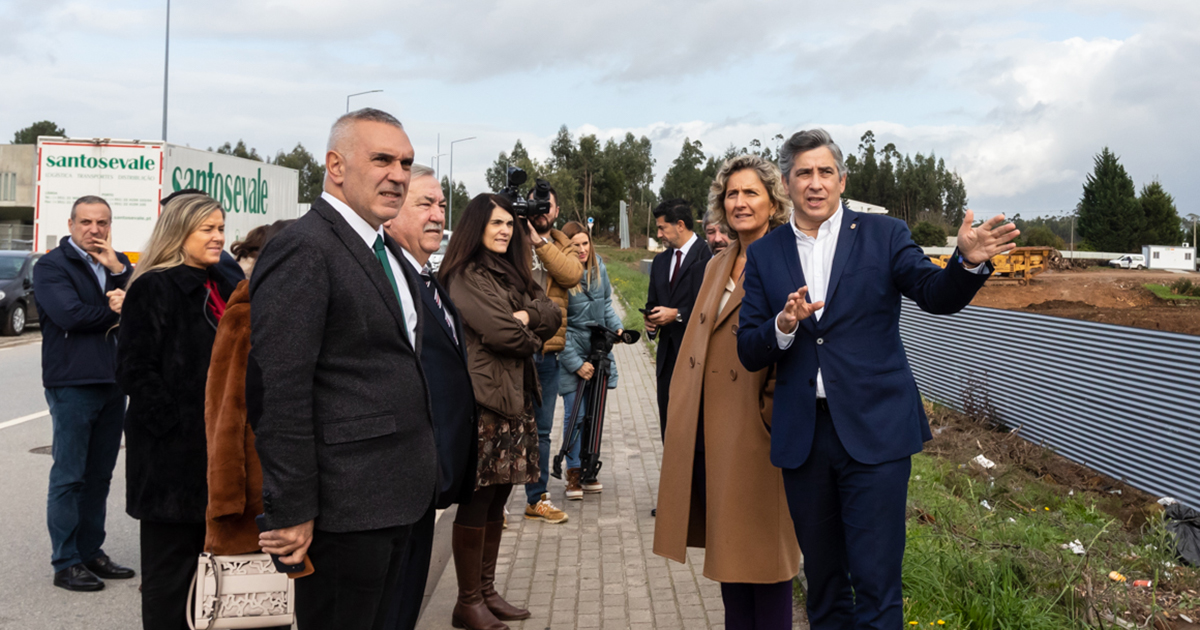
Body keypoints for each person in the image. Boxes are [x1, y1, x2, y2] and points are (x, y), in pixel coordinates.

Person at [736, 129, 1018, 630]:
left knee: (877, 584)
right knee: (823, 586)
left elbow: (935, 294)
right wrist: (783, 325)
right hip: (805, 438)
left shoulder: (884, 235)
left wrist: (967, 263)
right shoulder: (766, 253)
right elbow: (749, 348)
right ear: (786, 183)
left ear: (842, 180)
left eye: (826, 172)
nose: (816, 183)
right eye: (804, 173)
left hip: (877, 434)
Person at [249, 108, 437, 630]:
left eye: (405, 162)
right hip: (344, 510)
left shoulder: (385, 250)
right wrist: (290, 510)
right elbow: (278, 390)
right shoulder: (305, 248)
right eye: (382, 159)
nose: (398, 174)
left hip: (399, 498)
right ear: (335, 165)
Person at [654, 156, 801, 630]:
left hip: (757, 436)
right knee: (730, 564)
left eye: (751, 192)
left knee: (766, 563)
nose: (739, 202)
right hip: (713, 431)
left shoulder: (788, 258)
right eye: (732, 194)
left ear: (773, 199)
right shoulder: (719, 263)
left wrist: (768, 417)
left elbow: (800, 344)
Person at [440, 193, 559, 630]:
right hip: (485, 400)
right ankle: (466, 601)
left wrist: (525, 317)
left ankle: (486, 592)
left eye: (510, 223)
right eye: (496, 223)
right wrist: (529, 327)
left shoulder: (511, 271)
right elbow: (503, 333)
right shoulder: (465, 275)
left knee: (500, 496)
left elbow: (552, 312)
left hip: (515, 396)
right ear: (477, 226)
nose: (505, 230)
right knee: (478, 499)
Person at [117, 192, 236, 629]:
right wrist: (176, 429)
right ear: (178, 231)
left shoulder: (224, 280)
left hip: (222, 454)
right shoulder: (154, 286)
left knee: (220, 580)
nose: (218, 237)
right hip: (173, 462)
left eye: (221, 228)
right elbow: (134, 370)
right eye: (207, 229)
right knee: (171, 580)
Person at [380, 165, 478, 630]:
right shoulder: (386, 277)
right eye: (425, 204)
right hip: (393, 482)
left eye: (441, 205)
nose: (438, 215)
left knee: (405, 602)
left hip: (422, 480)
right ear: (391, 209)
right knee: (388, 605)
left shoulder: (423, 276)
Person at [34, 195, 135, 592]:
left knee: (100, 476)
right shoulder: (52, 266)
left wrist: (120, 270)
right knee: (70, 477)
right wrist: (116, 311)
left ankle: (92, 552)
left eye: (103, 223)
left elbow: (147, 299)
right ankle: (66, 562)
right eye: (87, 222)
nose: (95, 230)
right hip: (73, 382)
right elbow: (70, 315)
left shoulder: (113, 264)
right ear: (71, 224)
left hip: (113, 381)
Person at [523, 183, 581, 521]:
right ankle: (495, 503)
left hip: (547, 353)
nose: (542, 209)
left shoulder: (563, 245)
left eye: (548, 205)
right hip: (511, 350)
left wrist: (539, 243)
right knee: (504, 428)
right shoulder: (509, 238)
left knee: (541, 432)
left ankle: (537, 498)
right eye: (535, 204)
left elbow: (571, 275)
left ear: (557, 212)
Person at [555, 221, 622, 500]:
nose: (582, 249)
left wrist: (616, 327)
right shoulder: (559, 275)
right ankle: (572, 473)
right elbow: (557, 324)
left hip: (597, 350)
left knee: (594, 415)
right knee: (576, 415)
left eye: (585, 243)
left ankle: (589, 469)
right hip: (571, 351)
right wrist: (574, 362)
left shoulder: (599, 268)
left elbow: (606, 303)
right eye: (575, 245)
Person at [645, 198, 712, 438]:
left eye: (662, 228)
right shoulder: (660, 261)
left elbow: (712, 307)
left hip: (698, 357)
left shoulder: (709, 255)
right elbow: (652, 303)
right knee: (669, 428)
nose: (659, 234)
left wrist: (678, 314)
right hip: (667, 359)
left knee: (696, 432)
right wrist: (650, 325)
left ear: (680, 225)